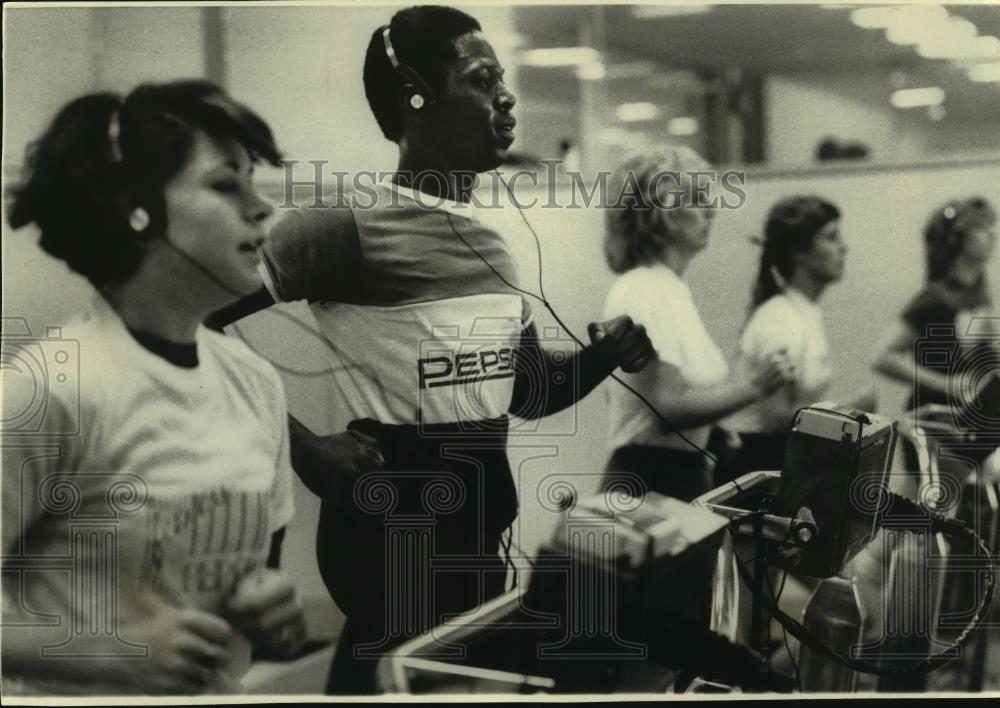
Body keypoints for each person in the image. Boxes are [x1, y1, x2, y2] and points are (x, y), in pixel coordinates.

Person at [208, 5, 654, 695]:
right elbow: (191, 329)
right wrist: (301, 448)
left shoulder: (494, 245)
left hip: (479, 526)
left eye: (502, 79)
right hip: (394, 530)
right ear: (416, 96)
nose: (505, 97)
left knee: (445, 686)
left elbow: (531, 393)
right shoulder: (344, 226)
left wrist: (603, 356)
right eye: (481, 80)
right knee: (388, 682)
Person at [2, 81, 305, 695]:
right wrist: (107, 655)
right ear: (135, 208)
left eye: (253, 179)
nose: (261, 207)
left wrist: (268, 607)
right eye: (226, 184)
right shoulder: (48, 389)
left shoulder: (255, 383)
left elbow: (252, 574)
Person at [600, 146, 795, 503]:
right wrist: (756, 386)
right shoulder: (644, 290)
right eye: (697, 200)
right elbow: (667, 409)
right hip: (649, 483)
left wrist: (713, 431)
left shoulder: (670, 289)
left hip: (678, 476)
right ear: (663, 214)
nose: (711, 211)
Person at [724, 195, 875, 479]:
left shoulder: (805, 312)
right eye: (831, 238)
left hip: (787, 460)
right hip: (759, 468)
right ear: (799, 251)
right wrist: (849, 412)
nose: (844, 247)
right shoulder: (778, 320)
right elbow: (775, 419)